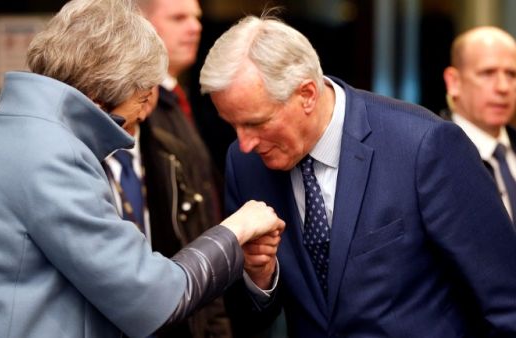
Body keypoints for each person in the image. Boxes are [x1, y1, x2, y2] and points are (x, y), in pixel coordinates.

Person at [0, 2, 285, 338]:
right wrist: (234, 230)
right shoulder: (52, 155)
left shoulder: (13, 130)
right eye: (142, 99)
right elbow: (151, 298)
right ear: (101, 92)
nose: (143, 114)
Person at [199, 14, 516, 337]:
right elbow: (245, 318)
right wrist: (258, 276)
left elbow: (505, 299)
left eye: (256, 123)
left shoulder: (423, 146)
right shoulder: (244, 164)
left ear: (307, 94)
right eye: (232, 125)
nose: (245, 142)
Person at [105, 2, 232, 336]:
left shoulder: (184, 99)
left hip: (197, 293)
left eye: (197, 18)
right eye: (178, 18)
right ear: (141, 27)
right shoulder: (134, 115)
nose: (194, 28)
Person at [442, 26, 516, 224]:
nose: (503, 87)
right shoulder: (433, 156)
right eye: (487, 73)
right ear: (454, 82)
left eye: (511, 74)